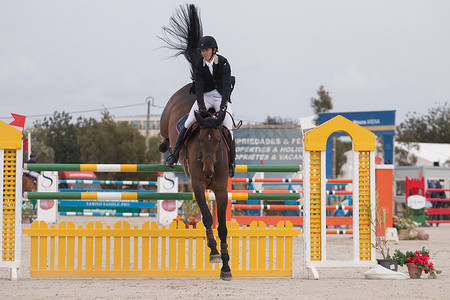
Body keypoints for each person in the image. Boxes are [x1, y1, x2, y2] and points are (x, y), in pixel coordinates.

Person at [165, 36, 236, 177]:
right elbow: (198, 88)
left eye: (207, 50)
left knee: (229, 128)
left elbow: (227, 86)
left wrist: (223, 107)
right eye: (202, 51)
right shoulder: (199, 65)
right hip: (206, 97)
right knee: (188, 122)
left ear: (214, 50)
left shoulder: (224, 64)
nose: (204, 53)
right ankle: (173, 155)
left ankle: (231, 163)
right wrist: (202, 106)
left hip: (221, 97)